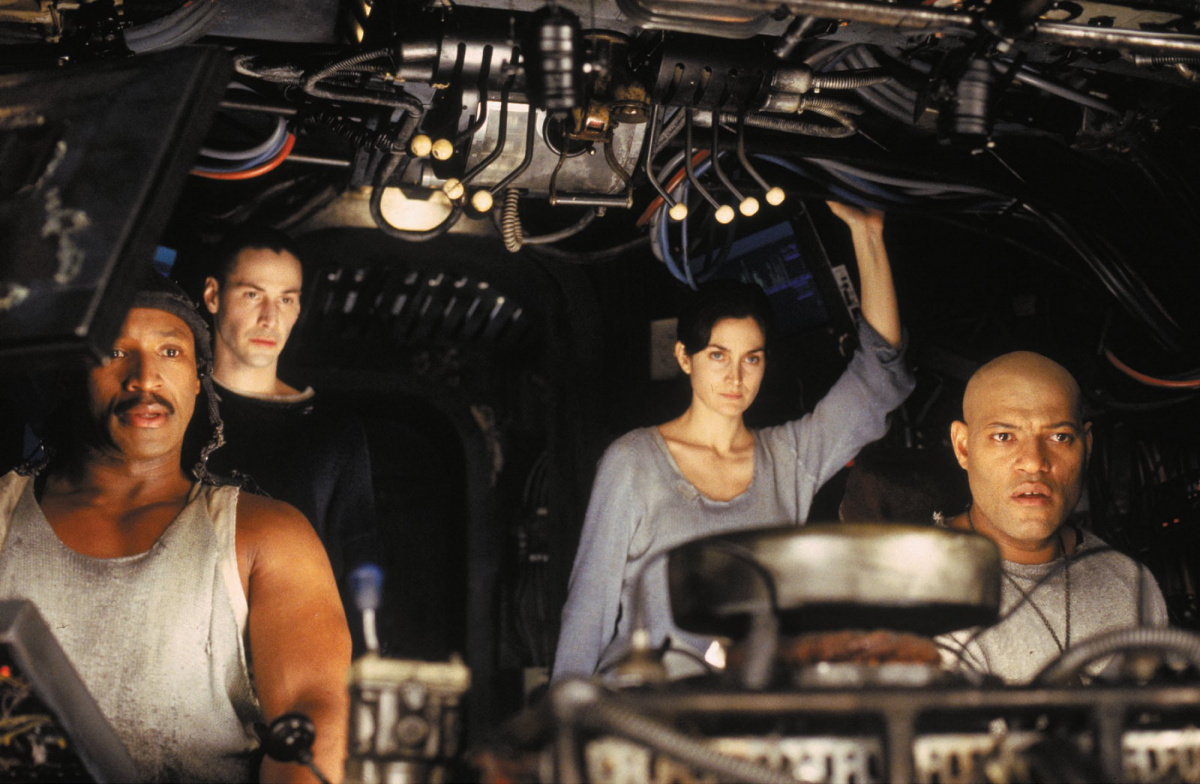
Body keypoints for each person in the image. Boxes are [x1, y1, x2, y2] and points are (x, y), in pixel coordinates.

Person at [0, 273, 350, 782]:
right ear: (72, 374)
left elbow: (315, 723)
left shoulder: (266, 537)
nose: (145, 379)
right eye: (115, 352)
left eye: (170, 352)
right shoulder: (4, 515)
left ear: (197, 379)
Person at [551, 201, 916, 681]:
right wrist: (564, 712)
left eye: (752, 358)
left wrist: (868, 237)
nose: (735, 377)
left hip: (746, 706)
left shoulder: (790, 457)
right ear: (685, 358)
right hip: (644, 705)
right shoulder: (633, 461)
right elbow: (589, 606)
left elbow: (879, 376)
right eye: (718, 355)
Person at [936, 351, 1168, 684]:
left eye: (1059, 437)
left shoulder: (1130, 582)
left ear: (1086, 447)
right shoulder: (915, 593)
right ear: (963, 447)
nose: (1034, 462)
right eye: (1004, 436)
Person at [193, 226, 380, 622]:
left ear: (298, 308)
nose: (270, 318)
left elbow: (358, 560)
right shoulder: (173, 407)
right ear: (212, 295)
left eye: (286, 299)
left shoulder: (333, 431)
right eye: (252, 295)